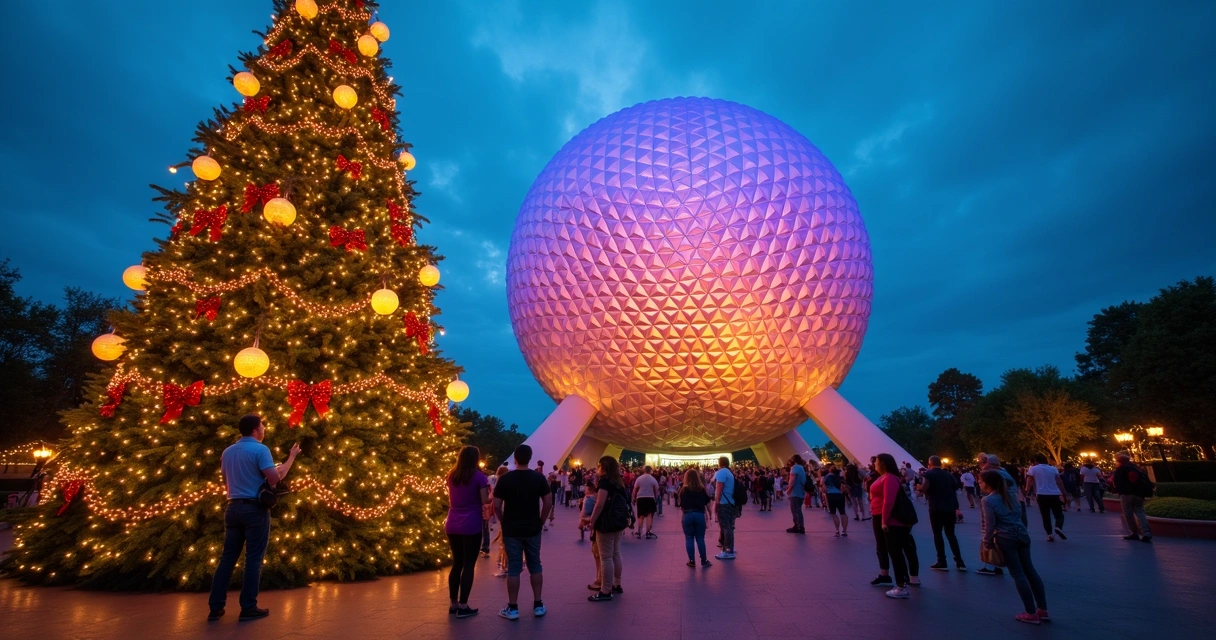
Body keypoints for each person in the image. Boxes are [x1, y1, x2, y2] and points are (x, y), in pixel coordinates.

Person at [207, 414, 300, 622]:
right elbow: (275, 478)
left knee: (227, 558)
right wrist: (288, 459)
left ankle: (215, 607)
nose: (264, 428)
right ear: (256, 430)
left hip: (232, 507)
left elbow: (225, 479)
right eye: (262, 425)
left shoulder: (228, 452)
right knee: (254, 559)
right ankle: (248, 606)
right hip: (254, 509)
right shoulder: (260, 450)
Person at [979, 470, 1049, 624]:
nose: (980, 484)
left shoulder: (988, 500)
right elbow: (1020, 515)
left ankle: (1030, 612)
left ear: (988, 483)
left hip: (1005, 537)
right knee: (1030, 571)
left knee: (1018, 574)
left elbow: (990, 523)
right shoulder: (1012, 496)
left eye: (981, 481)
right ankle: (1042, 609)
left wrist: (987, 541)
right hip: (1022, 534)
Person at [493, 445, 553, 620]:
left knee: (514, 567)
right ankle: (538, 604)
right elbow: (548, 502)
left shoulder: (505, 479)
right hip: (532, 526)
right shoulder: (538, 478)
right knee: (535, 564)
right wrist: (541, 520)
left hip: (512, 528)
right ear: (530, 458)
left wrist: (503, 519)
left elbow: (496, 505)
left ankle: (512, 607)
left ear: (515, 459)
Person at [446, 445, 491, 618]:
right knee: (469, 564)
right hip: (471, 523)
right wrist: (493, 496)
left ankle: (453, 603)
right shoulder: (479, 477)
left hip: (452, 522)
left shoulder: (452, 476)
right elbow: (484, 500)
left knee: (456, 563)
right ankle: (464, 605)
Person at [870, 453, 920, 598]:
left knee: (895, 552)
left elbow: (889, 501)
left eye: (876, 462)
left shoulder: (890, 478)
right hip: (885, 518)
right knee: (895, 551)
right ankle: (903, 581)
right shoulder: (885, 477)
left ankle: (901, 586)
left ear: (883, 464)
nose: (874, 464)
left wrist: (884, 521)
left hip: (891, 521)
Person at [583, 456, 629, 601]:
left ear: (603, 467)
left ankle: (605, 590)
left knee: (606, 557)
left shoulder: (605, 482)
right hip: (618, 523)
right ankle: (617, 584)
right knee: (616, 553)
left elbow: (600, 504)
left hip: (606, 523)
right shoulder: (618, 482)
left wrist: (592, 520)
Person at [920, 456, 965, 571]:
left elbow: (924, 489)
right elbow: (955, 488)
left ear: (930, 464)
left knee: (938, 534)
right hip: (949, 508)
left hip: (936, 508)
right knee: (951, 535)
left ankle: (942, 561)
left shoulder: (929, 474)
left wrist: (919, 487)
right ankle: (959, 562)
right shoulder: (948, 474)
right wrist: (956, 507)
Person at [1025, 454, 1068, 542]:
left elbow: (1029, 481)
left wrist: (1026, 491)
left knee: (1045, 515)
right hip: (1054, 494)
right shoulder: (1053, 468)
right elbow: (1059, 481)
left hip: (1041, 494)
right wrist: (1064, 493)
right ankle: (1058, 527)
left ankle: (1049, 535)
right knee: (1059, 514)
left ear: (1036, 461)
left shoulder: (1033, 469)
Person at [1112, 452, 1153, 542]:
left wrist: (1117, 491)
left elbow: (1117, 483)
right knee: (1140, 512)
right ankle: (1146, 533)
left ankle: (1134, 532)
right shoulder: (1136, 468)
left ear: (1119, 461)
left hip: (1126, 494)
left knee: (1128, 513)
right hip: (1139, 494)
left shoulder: (1120, 469)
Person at [679, 468, 713, 567]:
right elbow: (707, 501)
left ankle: (692, 561)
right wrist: (710, 514)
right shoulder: (701, 489)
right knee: (700, 538)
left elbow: (681, 504)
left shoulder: (683, 490)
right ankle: (704, 560)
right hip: (699, 514)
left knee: (689, 538)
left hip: (687, 515)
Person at [712, 456, 738, 559]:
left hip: (724, 503)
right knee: (729, 527)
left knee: (726, 527)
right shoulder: (729, 472)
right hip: (731, 502)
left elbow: (719, 488)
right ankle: (730, 547)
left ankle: (728, 551)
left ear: (720, 463)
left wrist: (716, 502)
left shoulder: (721, 472)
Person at [632, 465, 660, 539]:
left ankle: (639, 532)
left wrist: (634, 498)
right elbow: (656, 490)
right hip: (650, 498)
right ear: (650, 471)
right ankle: (648, 532)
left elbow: (635, 489)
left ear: (644, 470)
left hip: (640, 498)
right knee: (649, 515)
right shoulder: (653, 479)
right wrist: (656, 498)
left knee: (640, 515)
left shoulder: (639, 479)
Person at [824, 465, 849, 537]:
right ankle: (844, 531)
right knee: (842, 512)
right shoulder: (840, 478)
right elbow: (845, 487)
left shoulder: (827, 477)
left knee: (833, 513)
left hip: (831, 495)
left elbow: (823, 487)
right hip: (840, 496)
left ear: (830, 470)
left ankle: (837, 530)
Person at [786, 455, 807, 534]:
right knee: (798, 509)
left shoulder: (795, 468)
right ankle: (799, 525)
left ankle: (799, 526)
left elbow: (792, 480)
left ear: (794, 461)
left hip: (795, 492)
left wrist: (788, 490)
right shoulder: (801, 468)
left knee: (795, 510)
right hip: (800, 492)